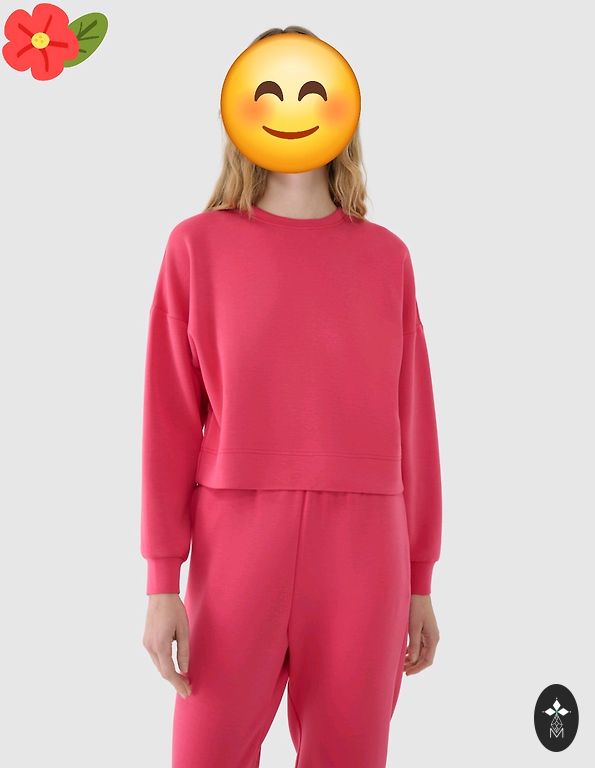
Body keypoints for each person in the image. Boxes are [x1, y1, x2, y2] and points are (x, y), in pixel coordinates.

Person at [141, 24, 442, 768]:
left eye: (311, 90)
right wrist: (161, 582)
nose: (292, 107)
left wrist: (419, 581)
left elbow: (414, 422)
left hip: (366, 547)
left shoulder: (387, 258)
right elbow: (167, 423)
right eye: (271, 90)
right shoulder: (196, 247)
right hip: (234, 539)